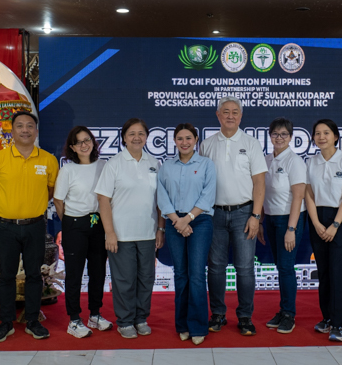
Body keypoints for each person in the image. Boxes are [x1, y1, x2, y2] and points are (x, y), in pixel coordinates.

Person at [0, 111, 59, 342]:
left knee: (34, 275)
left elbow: (50, 192)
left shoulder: (48, 160)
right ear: (12, 130)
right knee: (6, 275)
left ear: (36, 131)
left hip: (35, 226)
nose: (25, 130)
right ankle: (6, 322)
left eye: (29, 126)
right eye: (20, 126)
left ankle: (32, 321)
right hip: (5, 226)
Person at [200, 96, 267, 336]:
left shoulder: (251, 143)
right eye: (225, 111)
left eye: (235, 112)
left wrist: (256, 216)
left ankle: (245, 317)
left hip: (244, 213)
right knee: (216, 267)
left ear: (241, 116)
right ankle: (217, 314)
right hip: (214, 214)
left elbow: (259, 182)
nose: (230, 115)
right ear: (218, 115)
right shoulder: (207, 145)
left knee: (245, 268)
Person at [95, 118, 165, 339]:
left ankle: (141, 318)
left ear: (147, 137)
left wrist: (160, 229)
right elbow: (103, 200)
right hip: (121, 234)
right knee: (124, 280)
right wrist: (110, 232)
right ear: (124, 137)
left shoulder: (155, 163)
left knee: (146, 278)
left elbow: (160, 201)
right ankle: (125, 321)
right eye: (132, 133)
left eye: (141, 133)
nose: (137, 137)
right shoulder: (113, 163)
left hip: (147, 233)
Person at [157, 123, 216, 345]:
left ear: (196, 140)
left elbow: (208, 195)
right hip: (174, 221)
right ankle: (182, 325)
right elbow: (162, 196)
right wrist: (176, 220)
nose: (184, 142)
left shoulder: (206, 164)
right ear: (174, 141)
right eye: (180, 138)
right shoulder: (166, 166)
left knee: (197, 275)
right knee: (181, 275)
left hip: (199, 221)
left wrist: (187, 219)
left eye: (188, 138)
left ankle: (198, 326)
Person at [54, 126, 113, 338]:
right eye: (79, 142)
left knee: (98, 272)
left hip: (98, 223)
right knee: (75, 275)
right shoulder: (68, 170)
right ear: (72, 147)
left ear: (93, 142)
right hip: (74, 224)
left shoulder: (104, 166)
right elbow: (58, 200)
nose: (84, 144)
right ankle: (74, 320)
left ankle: (95, 314)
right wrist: (71, 222)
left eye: (87, 140)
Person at [305, 119, 342, 342]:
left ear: (336, 136)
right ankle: (326, 318)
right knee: (324, 271)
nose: (321, 137)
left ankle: (338, 324)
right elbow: (308, 194)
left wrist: (335, 225)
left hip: (341, 219)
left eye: (326, 133)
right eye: (317, 133)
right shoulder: (310, 162)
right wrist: (317, 223)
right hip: (317, 217)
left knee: (338, 273)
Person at [257, 117, 306, 334]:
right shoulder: (266, 160)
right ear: (270, 136)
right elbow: (260, 193)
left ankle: (289, 314)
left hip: (289, 219)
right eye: (275, 134)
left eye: (284, 134)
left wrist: (291, 229)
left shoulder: (294, 161)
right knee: (280, 267)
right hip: (271, 219)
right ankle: (283, 309)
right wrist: (259, 220)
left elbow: (298, 197)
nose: (279, 138)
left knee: (286, 268)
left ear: (291, 137)